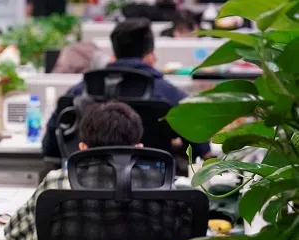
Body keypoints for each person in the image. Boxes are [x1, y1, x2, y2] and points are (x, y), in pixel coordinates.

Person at [42, 18, 210, 159]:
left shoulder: (80, 91)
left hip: (86, 184)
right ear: (150, 55)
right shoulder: (169, 94)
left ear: (114, 52)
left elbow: (50, 148)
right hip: (154, 187)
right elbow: (201, 147)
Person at [6, 101, 146, 240]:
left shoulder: (57, 182)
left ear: (82, 148)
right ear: (138, 148)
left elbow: (15, 232)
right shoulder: (159, 184)